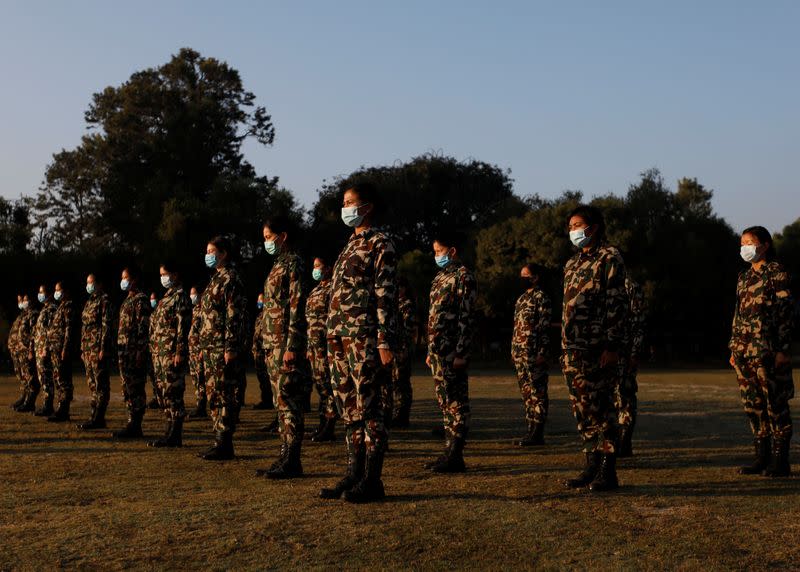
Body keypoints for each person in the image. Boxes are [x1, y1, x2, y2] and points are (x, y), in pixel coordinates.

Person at [320, 182, 397, 503]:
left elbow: (385, 294)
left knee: (369, 407)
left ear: (367, 207)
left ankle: (372, 479)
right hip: (338, 338)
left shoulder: (381, 244)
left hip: (364, 337)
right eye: (343, 202)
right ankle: (354, 473)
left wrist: (384, 340)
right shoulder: (348, 246)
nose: (346, 208)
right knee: (348, 407)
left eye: (351, 202)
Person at [561, 205, 627, 492]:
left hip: (597, 347)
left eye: (579, 225)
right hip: (573, 349)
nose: (574, 231)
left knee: (602, 410)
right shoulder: (572, 264)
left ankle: (607, 470)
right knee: (582, 409)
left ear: (594, 227)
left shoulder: (609, 257)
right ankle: (590, 464)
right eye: (571, 226)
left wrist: (612, 345)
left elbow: (617, 303)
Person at [729, 226, 794, 477]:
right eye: (742, 243)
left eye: (750, 242)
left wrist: (782, 350)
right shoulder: (743, 277)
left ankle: (780, 461)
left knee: (775, 404)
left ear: (765, 245)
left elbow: (785, 314)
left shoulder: (777, 273)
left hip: (768, 351)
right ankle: (761, 456)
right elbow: (738, 314)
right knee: (753, 406)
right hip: (744, 352)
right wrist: (733, 346)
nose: (745, 247)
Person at [254, 216, 308, 478]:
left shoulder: (294, 263)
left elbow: (297, 307)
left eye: (268, 237)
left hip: (285, 344)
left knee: (290, 400)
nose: (266, 242)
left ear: (283, 236)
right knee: (281, 402)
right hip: (272, 344)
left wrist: (292, 345)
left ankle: (293, 460)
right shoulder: (278, 265)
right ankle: (284, 455)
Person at [425, 231, 478, 473]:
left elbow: (466, 317)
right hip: (437, 352)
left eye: (439, 251)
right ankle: (448, 452)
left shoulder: (464, 277)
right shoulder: (439, 279)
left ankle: (456, 453)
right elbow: (433, 318)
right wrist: (429, 350)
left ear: (453, 251)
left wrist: (461, 352)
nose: (436, 256)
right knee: (445, 401)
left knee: (457, 402)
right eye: (435, 252)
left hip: (452, 351)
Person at [198, 236, 248, 461]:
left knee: (224, 394)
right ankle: (218, 440)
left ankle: (225, 442)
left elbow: (233, 316)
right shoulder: (215, 279)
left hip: (222, 347)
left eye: (212, 250)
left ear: (224, 253)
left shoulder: (230, 278)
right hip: (210, 347)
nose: (208, 255)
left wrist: (231, 347)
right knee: (214, 394)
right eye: (207, 251)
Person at [147, 262, 191, 448]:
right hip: (160, 354)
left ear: (175, 274)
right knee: (164, 393)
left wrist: (180, 351)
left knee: (174, 393)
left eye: (165, 274)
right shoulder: (166, 298)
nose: (163, 277)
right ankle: (169, 429)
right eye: (160, 274)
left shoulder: (181, 297)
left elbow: (183, 327)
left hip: (172, 353)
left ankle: (176, 433)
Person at [511, 263, 552, 447]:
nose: (522, 278)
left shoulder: (541, 298)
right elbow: (517, 328)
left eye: (525, 275)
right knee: (526, 393)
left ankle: (538, 432)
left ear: (535, 277)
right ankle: (530, 430)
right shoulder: (520, 300)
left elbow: (545, 328)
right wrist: (513, 351)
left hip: (535, 354)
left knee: (538, 393)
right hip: (520, 354)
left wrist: (543, 352)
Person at [113, 266, 151, 439]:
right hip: (124, 352)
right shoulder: (128, 300)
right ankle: (131, 422)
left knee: (135, 388)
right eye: (122, 278)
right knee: (127, 388)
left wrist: (140, 351)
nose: (123, 281)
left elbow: (143, 327)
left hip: (134, 352)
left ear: (134, 279)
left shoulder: (141, 300)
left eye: (126, 277)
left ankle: (136, 424)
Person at [305, 256, 337, 442]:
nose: (315, 269)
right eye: (314, 265)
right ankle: (322, 424)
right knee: (321, 386)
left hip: (326, 347)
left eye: (319, 265)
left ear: (329, 268)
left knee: (329, 387)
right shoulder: (315, 290)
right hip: (314, 347)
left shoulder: (333, 289)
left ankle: (330, 426)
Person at [77, 274, 114, 430]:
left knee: (101, 384)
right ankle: (94, 415)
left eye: (91, 282)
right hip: (88, 349)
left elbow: (107, 325)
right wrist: (82, 348)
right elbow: (85, 327)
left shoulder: (104, 301)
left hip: (98, 348)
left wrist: (103, 348)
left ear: (99, 284)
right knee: (92, 383)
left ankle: (99, 417)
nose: (89, 285)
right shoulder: (89, 302)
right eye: (87, 283)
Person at [616, 274, 646, 457]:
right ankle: (614, 441)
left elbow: (639, 321)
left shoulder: (630, 286)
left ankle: (624, 443)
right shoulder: (603, 283)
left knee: (625, 396)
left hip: (625, 352)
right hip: (607, 353)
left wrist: (635, 352)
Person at [47, 282, 76, 423]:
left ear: (66, 291)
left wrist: (65, 348)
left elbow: (69, 330)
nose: (56, 292)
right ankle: (60, 408)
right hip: (55, 350)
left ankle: (64, 410)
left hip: (61, 350)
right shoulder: (61, 307)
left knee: (63, 380)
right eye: (55, 290)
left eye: (58, 290)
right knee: (58, 378)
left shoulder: (68, 307)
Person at [392, 277, 417, 428]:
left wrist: (403, 349)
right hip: (396, 348)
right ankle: (398, 415)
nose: (399, 290)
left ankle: (402, 416)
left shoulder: (407, 305)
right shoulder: (395, 304)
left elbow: (408, 329)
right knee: (396, 383)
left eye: (401, 287)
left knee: (402, 383)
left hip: (402, 349)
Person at [13, 294, 40, 413]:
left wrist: (30, 350)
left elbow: (33, 334)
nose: (23, 302)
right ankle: (27, 400)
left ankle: (30, 402)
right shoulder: (25, 315)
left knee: (31, 376)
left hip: (27, 351)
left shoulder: (33, 314)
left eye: (25, 300)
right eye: (22, 300)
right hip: (21, 350)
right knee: (25, 376)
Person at [33, 285, 57, 417]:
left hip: (44, 350)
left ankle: (49, 406)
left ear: (48, 294)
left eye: (41, 292)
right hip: (39, 349)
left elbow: (50, 331)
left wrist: (46, 348)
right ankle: (46, 404)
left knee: (47, 378)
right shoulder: (45, 309)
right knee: (43, 378)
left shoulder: (52, 309)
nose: (39, 294)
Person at [187, 285, 208, 420]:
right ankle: (199, 403)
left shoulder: (205, 309)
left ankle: (202, 406)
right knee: (195, 378)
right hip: (192, 350)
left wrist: (202, 349)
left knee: (201, 377)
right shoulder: (195, 310)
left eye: (194, 294)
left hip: (199, 349)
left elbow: (205, 330)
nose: (192, 297)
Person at [251, 293, 274, 411]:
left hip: (266, 352)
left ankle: (269, 400)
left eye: (261, 300)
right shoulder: (260, 316)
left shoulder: (270, 314)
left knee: (268, 378)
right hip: (258, 352)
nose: (259, 303)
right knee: (261, 378)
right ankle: (265, 400)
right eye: (258, 300)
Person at [8, 295, 25, 410]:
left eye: (21, 300)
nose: (20, 303)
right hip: (16, 351)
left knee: (27, 375)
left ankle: (28, 398)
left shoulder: (28, 315)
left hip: (23, 350)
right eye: (18, 300)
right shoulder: (20, 316)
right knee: (21, 375)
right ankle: (24, 396)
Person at [146, 292, 161, 410]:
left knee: (161, 376)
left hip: (161, 350)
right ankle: (157, 397)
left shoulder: (162, 312)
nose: (152, 301)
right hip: (152, 350)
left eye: (154, 299)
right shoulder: (151, 315)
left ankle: (162, 398)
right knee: (153, 376)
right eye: (151, 299)